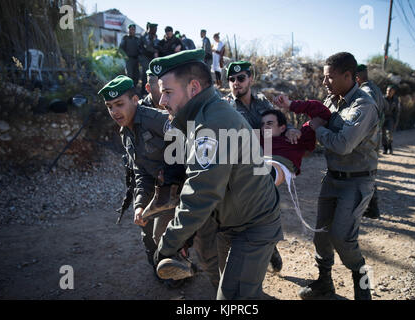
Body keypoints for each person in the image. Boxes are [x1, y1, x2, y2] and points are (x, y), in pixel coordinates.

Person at [148, 49, 283, 300]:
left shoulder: (211, 123)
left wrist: (168, 245)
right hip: (231, 222)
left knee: (232, 298)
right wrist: (185, 236)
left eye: (167, 92)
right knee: (231, 288)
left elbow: (202, 191)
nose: (161, 101)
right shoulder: (202, 114)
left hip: (253, 224)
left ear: (193, 88)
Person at [277, 52, 379, 300]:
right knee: (321, 235)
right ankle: (324, 283)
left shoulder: (363, 106)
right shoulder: (333, 101)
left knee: (343, 238)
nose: (324, 83)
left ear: (348, 76)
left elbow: (343, 144)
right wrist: (294, 132)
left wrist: (318, 127)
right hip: (332, 178)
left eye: (329, 78)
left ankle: (362, 286)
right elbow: (311, 130)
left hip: (356, 181)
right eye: (324, 78)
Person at [98, 75, 192, 289]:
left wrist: (170, 177)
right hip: (159, 191)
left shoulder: (157, 120)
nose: (114, 112)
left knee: (163, 233)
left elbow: (188, 147)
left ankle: (185, 268)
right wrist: (140, 204)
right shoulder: (126, 133)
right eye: (109, 106)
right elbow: (140, 171)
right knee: (147, 232)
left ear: (135, 99)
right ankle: (166, 268)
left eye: (119, 104)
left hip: (181, 187)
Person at [225, 60, 302, 273]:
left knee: (266, 211)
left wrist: (290, 130)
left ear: (251, 79)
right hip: (239, 170)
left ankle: (270, 248)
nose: (235, 83)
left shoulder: (262, 103)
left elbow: (280, 121)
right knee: (242, 218)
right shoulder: (225, 106)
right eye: (231, 79)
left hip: (265, 164)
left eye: (240, 78)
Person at [355, 64, 386, 220]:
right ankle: (371, 208)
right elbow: (384, 108)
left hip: (368, 137)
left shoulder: (366, 92)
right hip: (376, 134)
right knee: (369, 169)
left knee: (366, 171)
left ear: (358, 78)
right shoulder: (377, 89)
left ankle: (372, 208)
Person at [140, 22, 159, 94]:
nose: (156, 30)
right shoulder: (145, 35)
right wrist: (155, 51)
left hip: (151, 57)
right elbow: (147, 47)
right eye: (155, 29)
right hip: (144, 56)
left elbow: (156, 44)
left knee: (151, 73)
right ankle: (143, 90)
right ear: (150, 29)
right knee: (146, 73)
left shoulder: (154, 36)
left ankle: (149, 89)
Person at [383, 84, 401, 155]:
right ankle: (385, 148)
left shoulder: (395, 99)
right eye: (387, 90)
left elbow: (397, 111)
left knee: (389, 133)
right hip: (383, 118)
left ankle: (390, 147)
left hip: (390, 118)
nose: (388, 92)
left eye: (390, 91)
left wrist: (395, 121)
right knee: (383, 134)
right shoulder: (383, 98)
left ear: (393, 92)